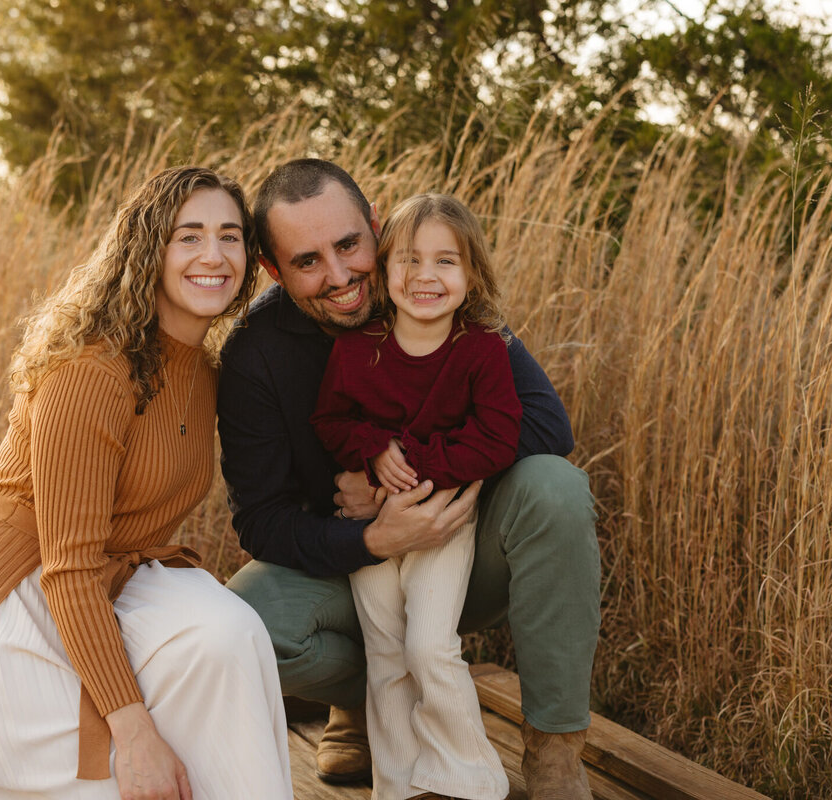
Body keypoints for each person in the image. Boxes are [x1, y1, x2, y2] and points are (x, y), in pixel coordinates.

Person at [0, 166, 292, 800]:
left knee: (233, 634)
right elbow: (67, 566)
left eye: (230, 237)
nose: (213, 255)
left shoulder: (203, 367)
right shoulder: (93, 368)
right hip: (19, 597)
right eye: (188, 236)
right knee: (116, 774)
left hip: (113, 580)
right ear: (150, 251)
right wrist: (135, 729)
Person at [217, 159, 600, 800]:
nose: (339, 277)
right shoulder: (255, 353)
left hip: (461, 544)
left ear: (374, 226)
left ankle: (554, 749)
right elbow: (260, 519)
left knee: (556, 487)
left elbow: (545, 428)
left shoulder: (441, 294)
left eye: (348, 245)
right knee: (246, 624)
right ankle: (364, 709)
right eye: (308, 261)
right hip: (347, 565)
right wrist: (368, 538)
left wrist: (404, 475)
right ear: (273, 270)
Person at [310, 193, 518, 799]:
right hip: (369, 528)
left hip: (440, 521)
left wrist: (416, 470)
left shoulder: (481, 348)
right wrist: (373, 450)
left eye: (445, 261)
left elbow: (499, 437)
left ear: (472, 273)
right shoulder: (356, 349)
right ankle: (398, 786)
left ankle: (469, 780)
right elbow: (330, 423)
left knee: (429, 646)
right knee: (386, 655)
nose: (426, 276)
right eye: (408, 260)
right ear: (383, 269)